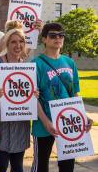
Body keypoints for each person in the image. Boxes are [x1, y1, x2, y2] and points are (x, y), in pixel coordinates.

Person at [30, 22, 93, 172]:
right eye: (53, 35)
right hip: (44, 125)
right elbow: (33, 97)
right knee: (41, 165)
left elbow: (75, 93)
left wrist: (83, 116)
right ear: (44, 39)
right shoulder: (35, 64)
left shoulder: (70, 62)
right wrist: (45, 122)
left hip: (68, 122)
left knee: (67, 166)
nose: (58, 38)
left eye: (61, 35)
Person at [0, 20, 39, 172]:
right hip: (0, 124)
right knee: (2, 166)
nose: (18, 45)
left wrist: (33, 94)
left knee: (18, 167)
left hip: (20, 123)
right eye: (13, 42)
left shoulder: (27, 67)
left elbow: (29, 93)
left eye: (21, 42)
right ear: (7, 43)